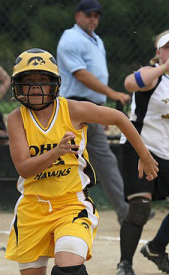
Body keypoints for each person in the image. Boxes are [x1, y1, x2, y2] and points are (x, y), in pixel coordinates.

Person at [5, 48, 157, 275]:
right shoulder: (15, 119)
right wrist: (58, 150)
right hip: (32, 208)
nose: (35, 89)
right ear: (18, 87)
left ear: (54, 84)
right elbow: (24, 167)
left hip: (71, 203)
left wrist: (143, 156)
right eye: (27, 82)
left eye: (42, 81)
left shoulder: (72, 110)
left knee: (68, 270)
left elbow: (118, 118)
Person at [115, 30, 169, 275]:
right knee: (140, 207)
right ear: (158, 52)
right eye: (167, 46)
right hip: (139, 147)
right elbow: (130, 83)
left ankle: (156, 248)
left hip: (168, 150)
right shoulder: (152, 76)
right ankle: (125, 264)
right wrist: (163, 68)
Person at [56, 0, 131, 224]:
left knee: (105, 161)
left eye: (96, 15)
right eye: (89, 15)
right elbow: (81, 75)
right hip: (74, 108)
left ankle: (125, 211)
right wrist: (112, 94)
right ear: (77, 16)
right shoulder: (70, 38)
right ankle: (55, 208)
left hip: (90, 109)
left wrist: (100, 109)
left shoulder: (96, 40)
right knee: (65, 159)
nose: (93, 19)